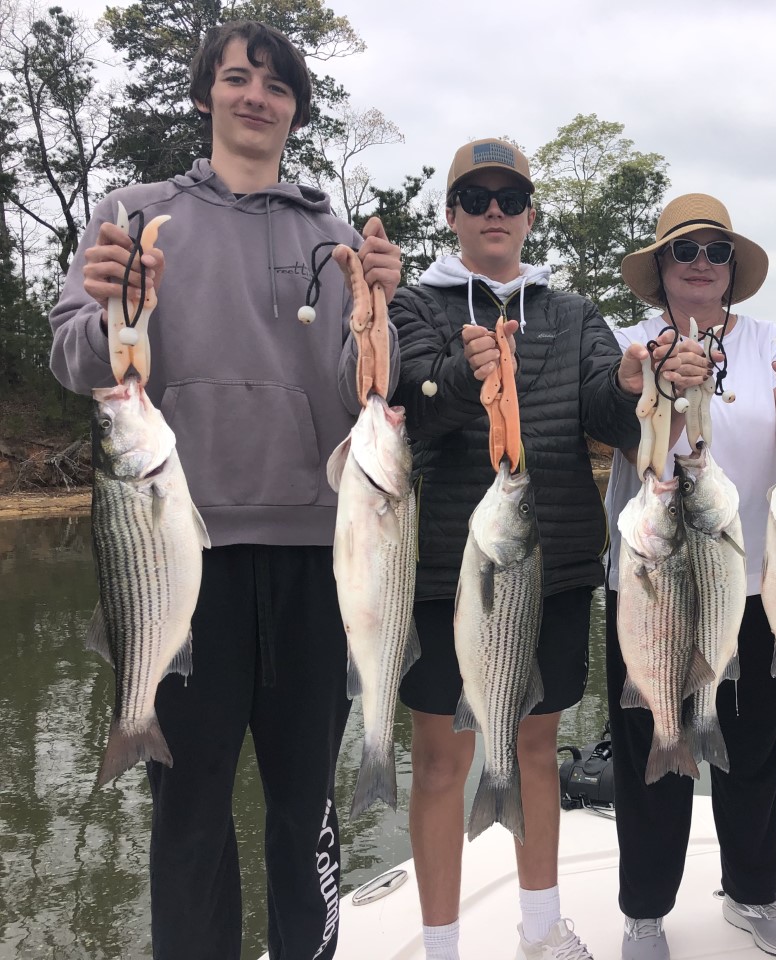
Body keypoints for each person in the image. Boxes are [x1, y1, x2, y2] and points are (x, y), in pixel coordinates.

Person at [48, 21, 401, 960]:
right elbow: (79, 358)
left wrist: (380, 317)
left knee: (305, 808)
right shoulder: (134, 214)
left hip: (316, 560)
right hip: (173, 556)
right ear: (206, 93)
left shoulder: (332, 236)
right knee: (190, 815)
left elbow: (362, 390)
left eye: (276, 85)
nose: (256, 96)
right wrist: (119, 308)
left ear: (295, 108)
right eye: (237, 78)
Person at [388, 138, 702, 960]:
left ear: (530, 214)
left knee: (534, 742)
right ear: (452, 213)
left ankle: (541, 929)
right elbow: (409, 413)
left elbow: (606, 413)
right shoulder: (417, 307)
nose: (495, 212)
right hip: (445, 576)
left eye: (510, 197)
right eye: (477, 197)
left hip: (555, 570)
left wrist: (635, 386)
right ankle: (441, 945)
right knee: (439, 760)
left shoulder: (569, 314)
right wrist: (462, 374)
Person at [601, 193, 776, 959]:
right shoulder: (627, 343)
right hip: (653, 580)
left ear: (733, 267)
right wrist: (643, 381)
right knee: (652, 745)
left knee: (752, 748)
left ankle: (752, 894)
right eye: (684, 251)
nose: (701, 264)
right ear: (659, 266)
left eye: (715, 251)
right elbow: (600, 417)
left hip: (756, 582)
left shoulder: (771, 345)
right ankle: (645, 910)